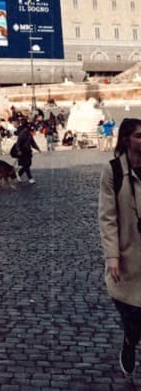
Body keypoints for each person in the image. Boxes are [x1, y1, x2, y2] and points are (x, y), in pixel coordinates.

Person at [99, 118, 141, 377]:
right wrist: (112, 256)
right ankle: (130, 340)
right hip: (128, 253)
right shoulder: (113, 170)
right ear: (126, 140)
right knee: (131, 310)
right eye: (139, 136)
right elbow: (107, 216)